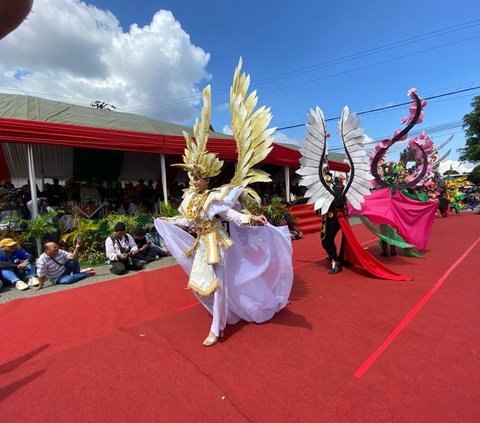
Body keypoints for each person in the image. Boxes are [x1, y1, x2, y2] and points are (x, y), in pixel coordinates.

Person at [155, 73, 293, 347]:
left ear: (207, 178)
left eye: (198, 177)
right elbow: (187, 219)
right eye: (192, 177)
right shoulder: (189, 200)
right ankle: (225, 315)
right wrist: (169, 219)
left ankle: (216, 328)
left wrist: (251, 217)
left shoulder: (214, 197)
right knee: (204, 284)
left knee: (218, 286)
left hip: (216, 244)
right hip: (200, 245)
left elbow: (230, 215)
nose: (194, 181)